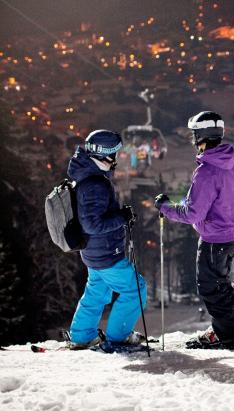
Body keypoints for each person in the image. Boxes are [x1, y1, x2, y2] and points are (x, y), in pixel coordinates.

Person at [155, 111, 234, 346]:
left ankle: (226, 335)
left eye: (194, 135)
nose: (193, 141)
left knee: (210, 288)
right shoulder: (233, 163)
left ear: (201, 137)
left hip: (214, 238)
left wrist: (165, 207)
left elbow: (193, 213)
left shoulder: (206, 171)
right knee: (221, 285)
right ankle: (231, 332)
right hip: (230, 235)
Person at [67, 129, 147, 349]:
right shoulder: (95, 184)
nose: (116, 159)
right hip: (105, 254)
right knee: (136, 289)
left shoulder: (87, 177)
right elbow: (93, 224)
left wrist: (119, 215)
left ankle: (82, 336)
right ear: (104, 155)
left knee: (96, 292)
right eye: (115, 155)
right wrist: (122, 217)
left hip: (93, 252)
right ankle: (118, 337)